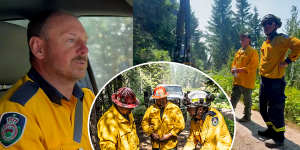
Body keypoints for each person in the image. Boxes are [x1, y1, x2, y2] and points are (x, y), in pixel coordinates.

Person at [0, 11, 95, 149]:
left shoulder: (88, 99)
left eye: (85, 42)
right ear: (39, 49)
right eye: (71, 40)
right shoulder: (18, 111)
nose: (84, 50)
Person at [258, 14, 300, 148]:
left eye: (269, 23)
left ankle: (279, 139)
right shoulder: (266, 42)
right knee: (263, 109)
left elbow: (298, 45)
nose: (266, 26)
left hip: (276, 82)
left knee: (276, 111)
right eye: (264, 24)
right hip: (264, 81)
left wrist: (288, 61)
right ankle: (271, 130)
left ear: (275, 25)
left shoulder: (281, 39)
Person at [141, 86, 185, 150]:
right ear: (155, 99)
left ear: (166, 97)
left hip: (170, 146)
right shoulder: (151, 109)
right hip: (156, 146)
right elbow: (144, 123)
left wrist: (169, 135)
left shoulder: (174, 108)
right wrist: (151, 133)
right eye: (158, 99)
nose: (160, 101)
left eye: (162, 98)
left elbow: (181, 125)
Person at [230, 33, 259, 122]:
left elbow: (253, 65)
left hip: (247, 80)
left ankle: (247, 116)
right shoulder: (239, 51)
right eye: (241, 38)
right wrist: (233, 69)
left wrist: (241, 70)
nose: (241, 40)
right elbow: (234, 63)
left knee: (247, 100)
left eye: (244, 38)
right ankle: (230, 112)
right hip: (237, 79)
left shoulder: (253, 51)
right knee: (234, 97)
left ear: (249, 40)